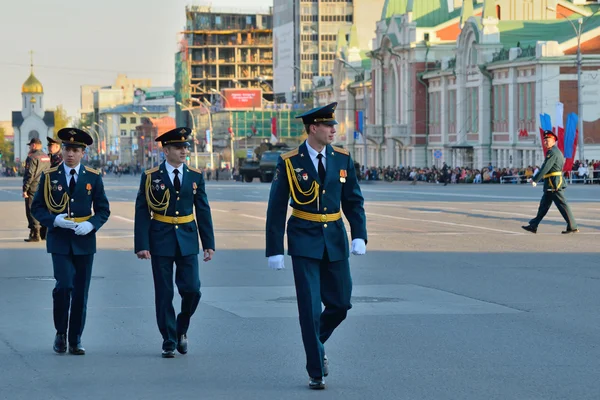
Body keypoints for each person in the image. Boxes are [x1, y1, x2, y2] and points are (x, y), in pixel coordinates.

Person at [265, 102, 367, 390]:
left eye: (334, 125)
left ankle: (315, 343)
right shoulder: (289, 161)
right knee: (309, 308)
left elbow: (353, 200)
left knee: (341, 303)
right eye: (329, 125)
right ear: (313, 128)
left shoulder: (342, 158)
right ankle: (315, 369)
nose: (334, 129)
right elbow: (275, 208)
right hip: (304, 239)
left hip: (334, 237)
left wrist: (359, 233)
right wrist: (274, 248)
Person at [134, 127, 215, 358]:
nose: (184, 151)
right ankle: (169, 339)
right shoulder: (151, 176)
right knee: (164, 292)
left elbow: (203, 210)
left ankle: (182, 326)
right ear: (166, 150)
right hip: (160, 237)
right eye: (179, 147)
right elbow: (142, 210)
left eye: (185, 147)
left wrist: (208, 243)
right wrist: (142, 244)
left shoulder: (195, 175)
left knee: (192, 289)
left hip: (188, 238)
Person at [31, 128, 111, 355]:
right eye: (67, 148)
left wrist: (92, 224)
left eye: (75, 150)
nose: (70, 154)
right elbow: (37, 207)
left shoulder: (93, 177)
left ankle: (75, 338)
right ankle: (60, 333)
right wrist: (53, 220)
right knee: (64, 286)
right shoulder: (49, 176)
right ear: (62, 150)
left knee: (81, 292)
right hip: (60, 241)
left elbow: (103, 210)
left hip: (84, 240)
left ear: (82, 153)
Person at [522, 130, 578, 234]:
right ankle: (533, 225)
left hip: (554, 184)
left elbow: (545, 167)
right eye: (544, 140)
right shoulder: (553, 151)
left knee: (562, 205)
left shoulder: (552, 152)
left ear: (553, 141)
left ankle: (572, 226)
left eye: (547, 140)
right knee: (543, 206)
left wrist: (535, 179)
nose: (545, 142)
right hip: (551, 184)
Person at [22, 138, 51, 242]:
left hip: (33, 187)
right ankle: (43, 232)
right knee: (42, 208)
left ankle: (35, 233)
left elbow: (30, 174)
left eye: (30, 146)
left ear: (34, 145)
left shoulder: (32, 157)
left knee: (32, 209)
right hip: (44, 186)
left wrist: (25, 189)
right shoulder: (46, 157)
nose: (29, 147)